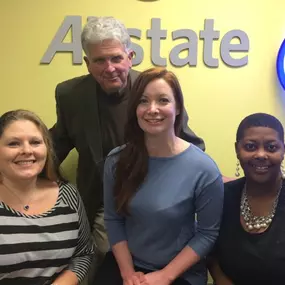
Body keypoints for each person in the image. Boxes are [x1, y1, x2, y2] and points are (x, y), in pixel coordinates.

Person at [49, 16, 205, 274]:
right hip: (102, 201)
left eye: (116, 58)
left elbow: (190, 143)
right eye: (99, 60)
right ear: (88, 63)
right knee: (105, 264)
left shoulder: (155, 89)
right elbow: (57, 145)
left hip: (157, 198)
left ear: (130, 56)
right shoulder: (70, 95)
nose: (109, 68)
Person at [95, 67, 224, 285]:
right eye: (143, 101)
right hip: (128, 267)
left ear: (178, 108)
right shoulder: (116, 161)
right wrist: (128, 275)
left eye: (163, 100)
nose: (152, 109)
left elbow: (207, 234)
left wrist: (165, 276)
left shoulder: (204, 169)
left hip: (180, 273)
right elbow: (113, 219)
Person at [0, 109, 94, 285]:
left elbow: (83, 253)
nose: (27, 150)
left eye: (35, 142)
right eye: (13, 143)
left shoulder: (68, 195)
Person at [208, 113, 285, 285]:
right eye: (250, 147)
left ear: (283, 150)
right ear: (237, 150)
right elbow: (211, 253)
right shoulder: (223, 196)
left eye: (271, 148)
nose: (260, 155)